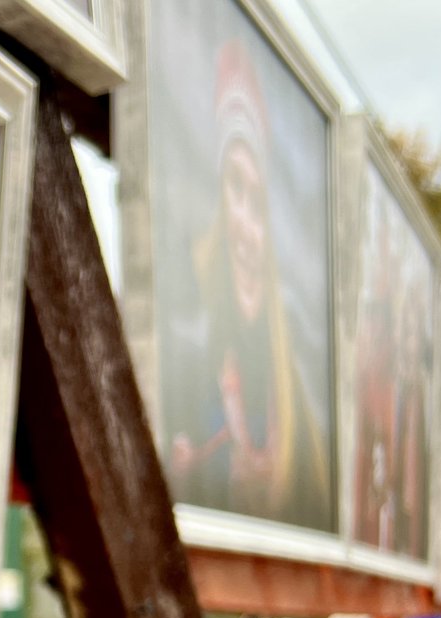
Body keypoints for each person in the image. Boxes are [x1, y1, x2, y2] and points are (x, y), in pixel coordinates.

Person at [163, 40, 330, 529]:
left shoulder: (296, 391)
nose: (247, 229)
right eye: (234, 190)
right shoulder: (189, 360)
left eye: (257, 202)